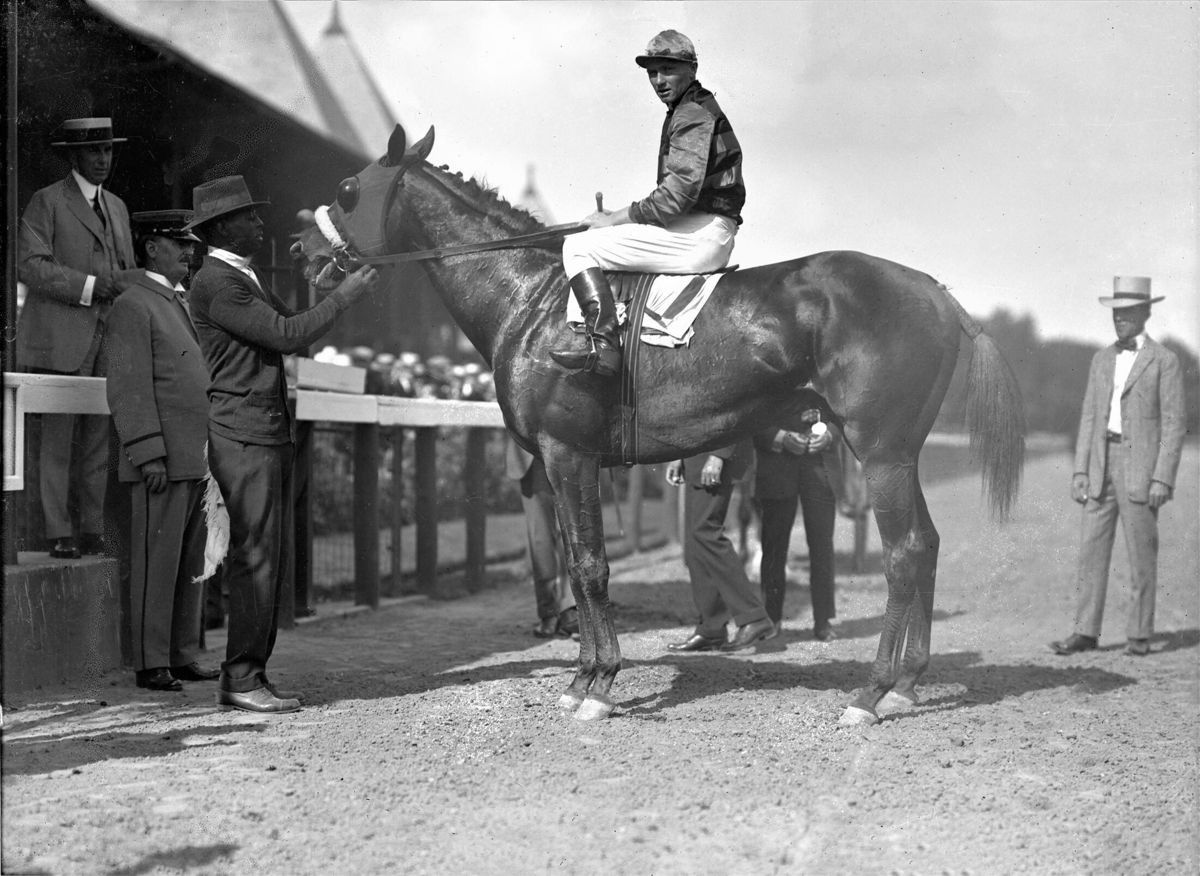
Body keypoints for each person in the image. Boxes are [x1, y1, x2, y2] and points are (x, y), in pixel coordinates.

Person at [187, 175, 380, 713]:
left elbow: (290, 324)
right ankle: (242, 678)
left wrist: (328, 296)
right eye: (248, 216)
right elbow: (288, 336)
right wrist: (342, 298)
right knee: (256, 558)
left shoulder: (238, 276)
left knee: (264, 557)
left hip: (260, 431)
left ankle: (248, 675)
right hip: (244, 434)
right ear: (222, 227)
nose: (258, 222)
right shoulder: (220, 283)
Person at [551, 30, 745, 377]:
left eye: (667, 70)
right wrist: (617, 217)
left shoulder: (692, 113)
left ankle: (604, 349)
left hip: (701, 233)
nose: (658, 80)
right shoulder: (687, 109)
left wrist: (615, 220)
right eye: (652, 72)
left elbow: (676, 197)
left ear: (692, 69)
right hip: (702, 228)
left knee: (577, 248)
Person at [101, 209, 219, 692]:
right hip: (162, 459)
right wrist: (147, 451)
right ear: (152, 247)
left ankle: (181, 652)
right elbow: (127, 386)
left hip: (194, 456)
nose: (189, 252)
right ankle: (152, 662)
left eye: (190, 244)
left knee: (189, 561)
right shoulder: (135, 303)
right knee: (157, 560)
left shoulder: (178, 302)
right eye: (178, 243)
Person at [17, 117, 142, 559]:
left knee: (96, 436)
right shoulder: (46, 202)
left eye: (108, 150)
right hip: (61, 336)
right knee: (57, 437)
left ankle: (88, 526)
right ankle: (57, 531)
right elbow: (30, 266)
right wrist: (91, 286)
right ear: (73, 155)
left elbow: (123, 269)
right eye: (94, 151)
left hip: (109, 337)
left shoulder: (119, 208)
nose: (103, 159)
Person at [1051, 277, 1185, 658]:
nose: (1120, 319)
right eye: (1116, 312)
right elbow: (1089, 417)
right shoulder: (1101, 359)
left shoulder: (1165, 362)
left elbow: (1174, 424)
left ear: (1146, 313)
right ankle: (1084, 632)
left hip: (1141, 468)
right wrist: (1080, 470)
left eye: (1128, 312)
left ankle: (1140, 634)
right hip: (1099, 464)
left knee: (1141, 552)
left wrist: (1162, 476)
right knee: (1090, 550)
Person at [665, 441, 775, 652]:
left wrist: (719, 455)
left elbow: (731, 412)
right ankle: (711, 628)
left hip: (716, 458)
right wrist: (677, 453)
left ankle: (753, 616)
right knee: (694, 541)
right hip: (695, 457)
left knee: (706, 532)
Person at [753, 401, 840, 641]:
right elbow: (752, 413)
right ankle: (772, 619)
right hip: (777, 464)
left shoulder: (824, 368)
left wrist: (830, 435)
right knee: (773, 545)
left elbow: (842, 411)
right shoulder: (767, 366)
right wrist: (779, 437)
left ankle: (823, 621)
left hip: (818, 466)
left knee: (822, 545)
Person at [504, 437, 578, 638]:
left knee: (574, 531)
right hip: (530, 450)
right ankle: (548, 612)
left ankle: (571, 608)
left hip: (569, 447)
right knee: (540, 537)